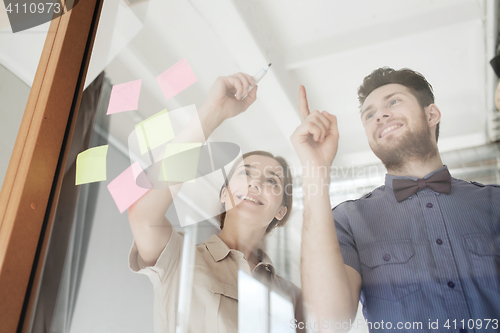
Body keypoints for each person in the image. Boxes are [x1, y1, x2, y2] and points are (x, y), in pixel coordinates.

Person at [291, 67, 500, 332]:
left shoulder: (496, 202)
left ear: (431, 114)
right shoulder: (347, 221)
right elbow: (327, 323)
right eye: (369, 115)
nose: (380, 115)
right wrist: (315, 170)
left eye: (393, 101)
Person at [127, 73, 304, 333]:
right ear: (224, 194)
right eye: (246, 173)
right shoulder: (179, 258)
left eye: (272, 181)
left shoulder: (293, 298)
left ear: (281, 211)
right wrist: (213, 112)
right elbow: (143, 216)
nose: (256, 184)